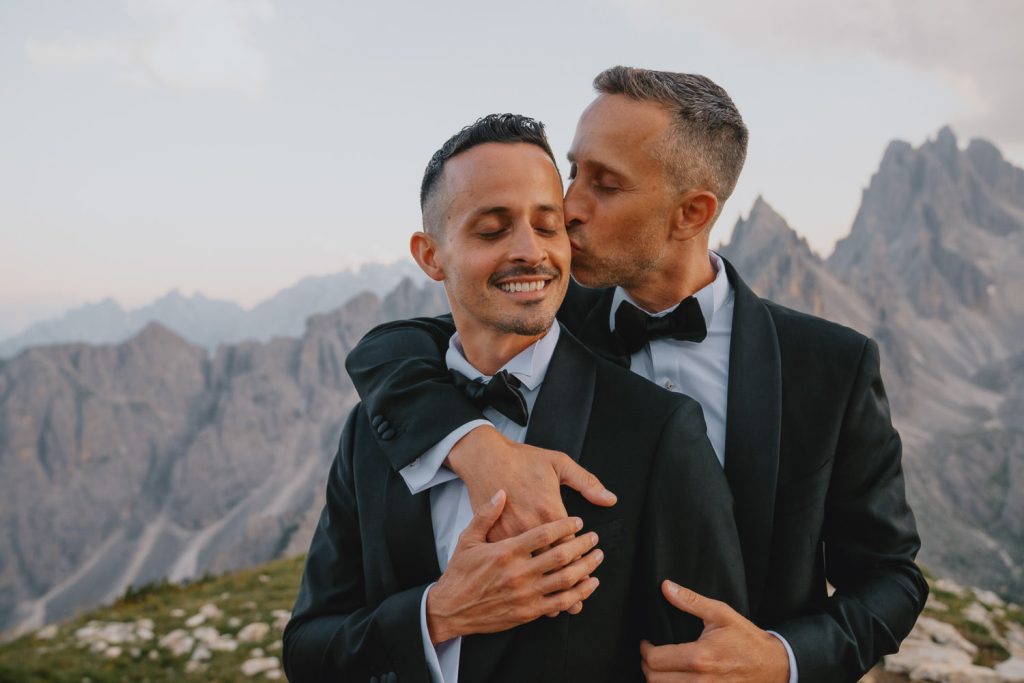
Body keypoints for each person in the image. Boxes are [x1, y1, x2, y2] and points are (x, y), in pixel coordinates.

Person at [345, 68, 928, 682]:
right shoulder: (539, 310)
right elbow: (390, 352)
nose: (567, 207)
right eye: (574, 171)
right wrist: (474, 446)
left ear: (691, 213)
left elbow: (891, 577)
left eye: (605, 184)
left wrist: (783, 660)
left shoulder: (830, 365)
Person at [283, 113, 747, 683]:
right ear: (431, 256)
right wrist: (434, 617)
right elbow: (308, 649)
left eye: (548, 226)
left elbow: (701, 662)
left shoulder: (658, 429)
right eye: (492, 230)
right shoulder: (371, 431)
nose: (530, 251)